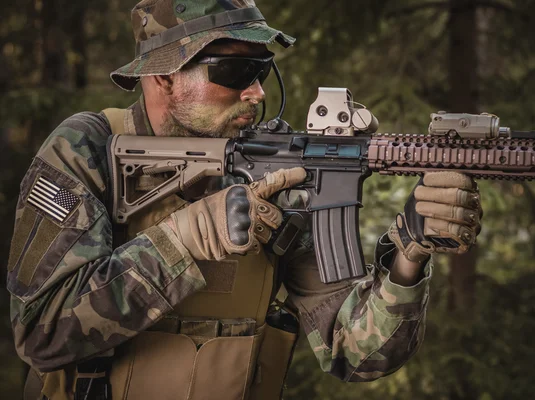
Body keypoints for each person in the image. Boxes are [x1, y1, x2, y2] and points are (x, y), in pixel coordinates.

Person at [7, 1, 483, 399]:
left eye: (262, 71)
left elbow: (356, 352)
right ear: (164, 77)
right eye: (235, 70)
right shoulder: (87, 149)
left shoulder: (275, 175)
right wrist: (182, 241)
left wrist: (408, 259)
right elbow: (40, 333)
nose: (255, 93)